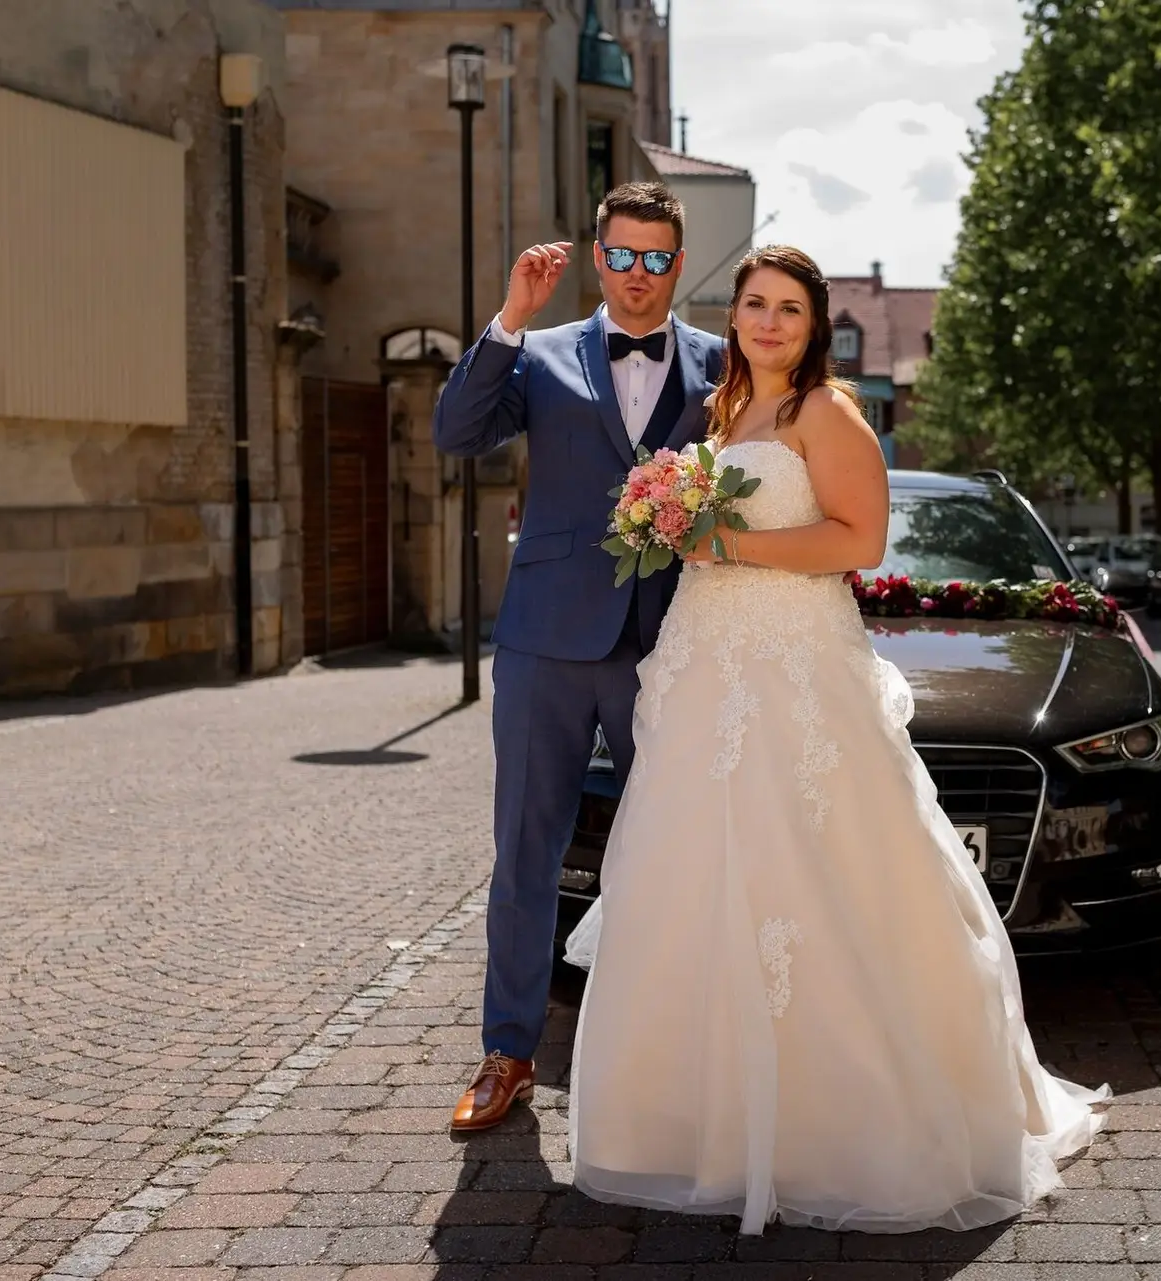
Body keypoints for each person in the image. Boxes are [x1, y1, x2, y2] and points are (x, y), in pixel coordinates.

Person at [562, 245, 1109, 1235]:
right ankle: (689, 1125)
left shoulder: (827, 413)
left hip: (795, 676)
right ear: (736, 318)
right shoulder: (726, 414)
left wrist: (726, 543)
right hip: (706, 672)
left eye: (790, 310)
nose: (770, 323)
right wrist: (673, 525)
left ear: (816, 326)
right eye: (755, 306)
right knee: (696, 880)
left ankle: (851, 1126)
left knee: (815, 876)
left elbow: (858, 540)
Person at [432, 182, 727, 1134]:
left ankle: (675, 1050)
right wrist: (511, 318)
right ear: (599, 258)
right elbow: (457, 434)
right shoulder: (542, 354)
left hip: (673, 644)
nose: (639, 274)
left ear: (676, 266)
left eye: (657, 259)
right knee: (527, 851)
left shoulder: (723, 367)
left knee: (679, 853)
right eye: (623, 255)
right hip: (545, 644)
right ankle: (508, 1051)